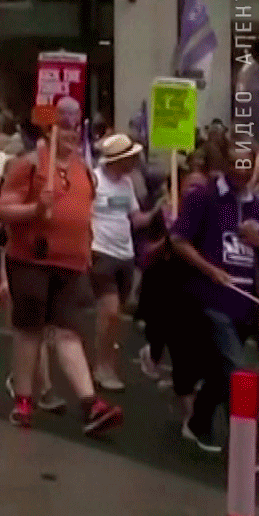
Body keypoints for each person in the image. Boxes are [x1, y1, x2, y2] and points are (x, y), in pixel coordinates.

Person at [0, 98, 124, 435]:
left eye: (75, 126)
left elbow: (86, 216)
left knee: (69, 331)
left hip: (71, 266)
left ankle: (89, 404)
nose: (70, 133)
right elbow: (4, 210)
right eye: (63, 126)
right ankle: (24, 400)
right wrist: (36, 209)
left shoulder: (84, 170)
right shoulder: (29, 164)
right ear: (49, 129)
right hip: (31, 261)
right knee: (29, 331)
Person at [171, 129, 259, 456]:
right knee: (238, 369)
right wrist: (211, 270)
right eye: (236, 163)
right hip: (212, 298)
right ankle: (248, 448)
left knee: (221, 374)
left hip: (247, 302)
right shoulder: (203, 197)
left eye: (248, 164)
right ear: (225, 163)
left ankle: (198, 422)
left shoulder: (258, 207)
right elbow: (179, 240)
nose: (243, 170)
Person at [89, 133, 155, 390]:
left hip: (125, 254)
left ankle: (107, 362)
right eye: (130, 158)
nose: (135, 162)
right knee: (110, 310)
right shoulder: (94, 179)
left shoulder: (127, 184)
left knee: (115, 317)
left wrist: (160, 208)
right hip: (100, 251)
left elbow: (137, 219)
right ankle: (102, 367)